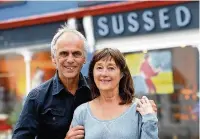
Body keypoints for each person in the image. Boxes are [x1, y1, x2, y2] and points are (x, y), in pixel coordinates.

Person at [12, 25, 157, 139]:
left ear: (84, 59)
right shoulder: (37, 97)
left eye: (76, 54)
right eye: (63, 53)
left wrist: (146, 112)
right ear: (53, 58)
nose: (70, 59)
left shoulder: (98, 88)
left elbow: (122, 105)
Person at [70, 48, 158, 139]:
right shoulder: (81, 113)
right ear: (92, 73)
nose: (104, 73)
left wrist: (150, 118)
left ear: (122, 74)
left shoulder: (140, 109)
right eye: (99, 68)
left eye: (111, 68)